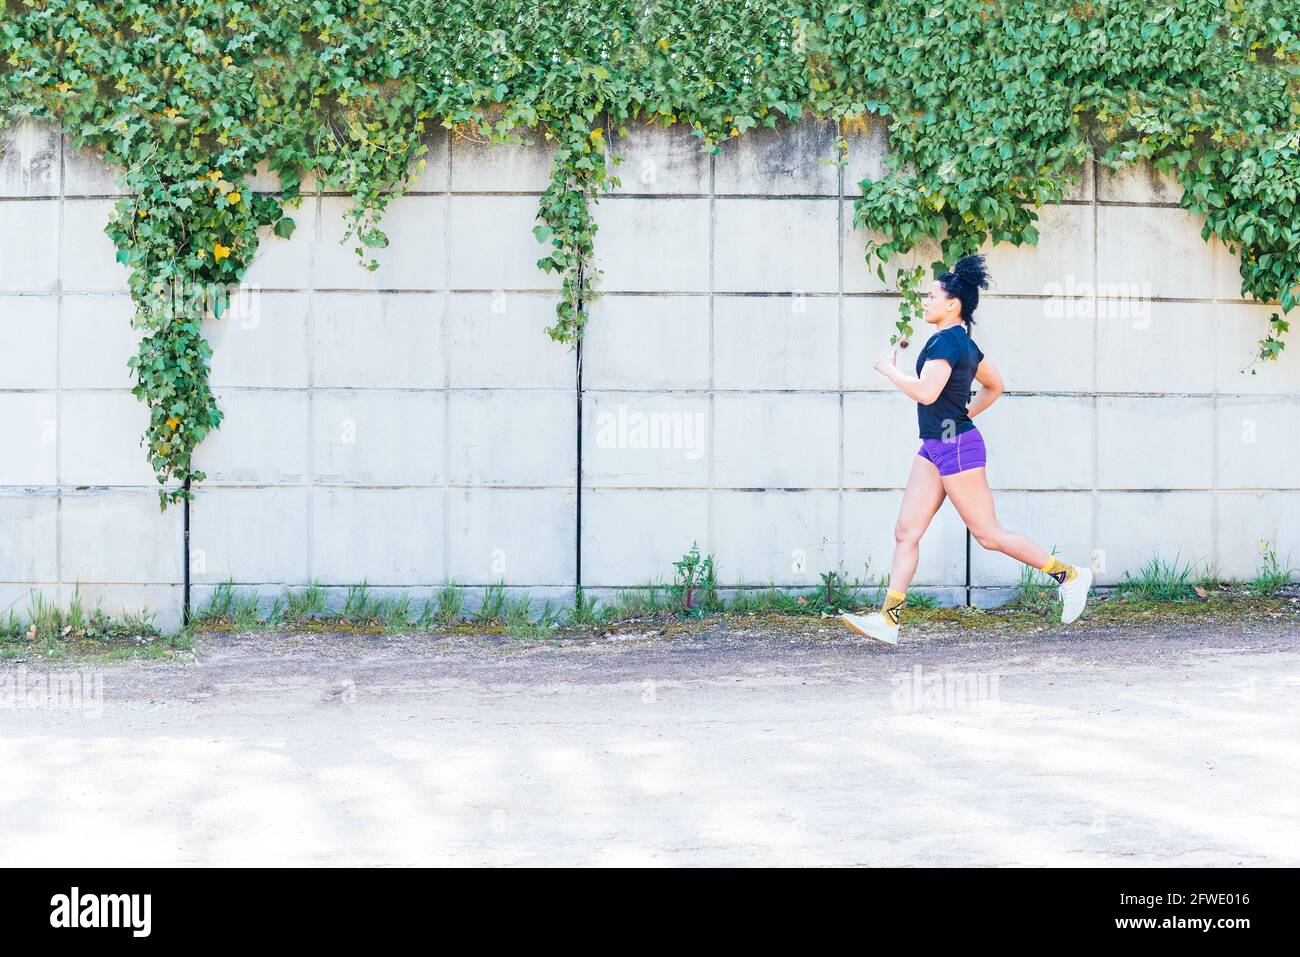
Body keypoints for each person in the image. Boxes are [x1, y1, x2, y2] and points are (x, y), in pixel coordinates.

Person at [841, 254, 1091, 646]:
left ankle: (1069, 576)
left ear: (952, 303)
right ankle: (888, 620)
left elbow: (926, 392)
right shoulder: (965, 344)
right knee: (906, 531)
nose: (924, 302)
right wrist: (964, 412)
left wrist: (891, 372)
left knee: (989, 535)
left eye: (930, 296)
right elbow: (995, 385)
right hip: (935, 446)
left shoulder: (946, 341)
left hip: (955, 445)